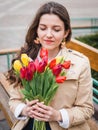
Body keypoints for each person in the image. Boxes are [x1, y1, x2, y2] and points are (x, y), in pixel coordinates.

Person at [8, 1, 94, 130]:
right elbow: (14, 100)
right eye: (43, 28)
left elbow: (86, 109)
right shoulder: (25, 59)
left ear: (65, 33)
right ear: (36, 30)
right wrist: (25, 110)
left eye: (56, 29)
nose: (48, 34)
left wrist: (58, 115)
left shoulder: (80, 63)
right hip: (29, 124)